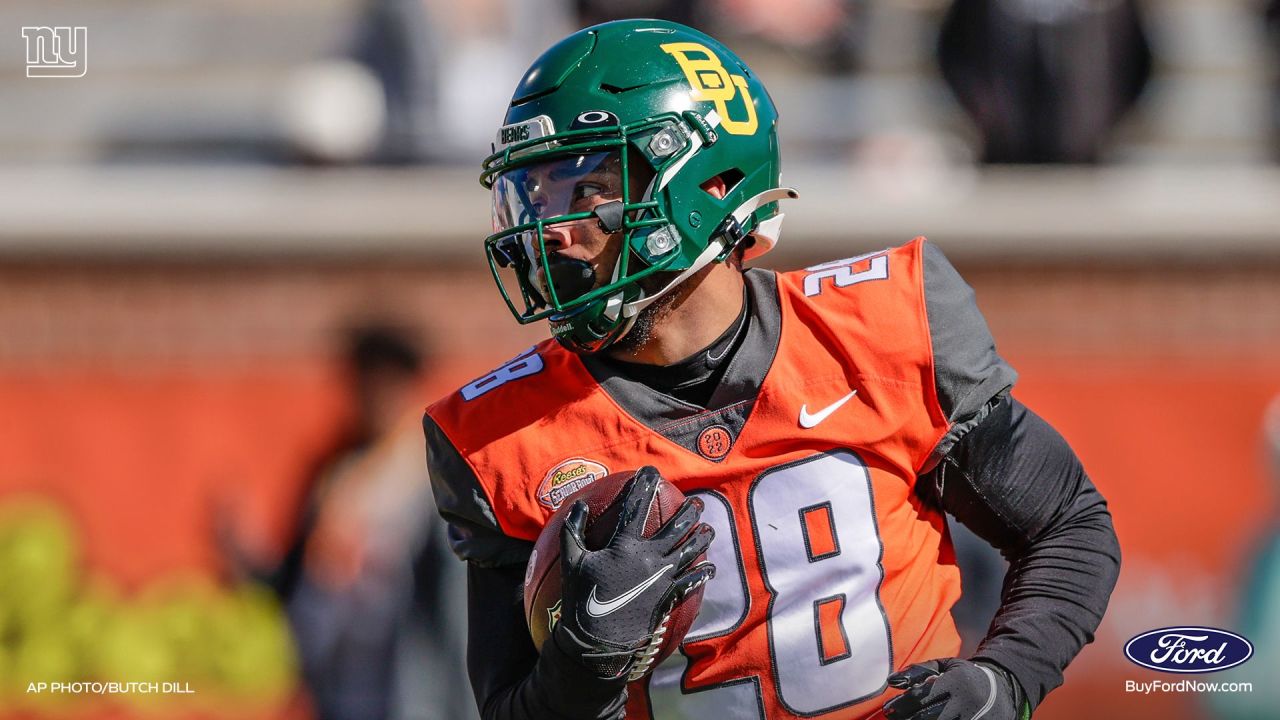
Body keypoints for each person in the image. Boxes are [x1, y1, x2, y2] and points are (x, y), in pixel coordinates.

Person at [424, 19, 1120, 720]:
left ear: (705, 179)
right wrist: (582, 662)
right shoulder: (502, 439)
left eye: (582, 188)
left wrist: (1007, 680)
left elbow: (1068, 525)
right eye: (532, 193)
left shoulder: (876, 331)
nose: (548, 229)